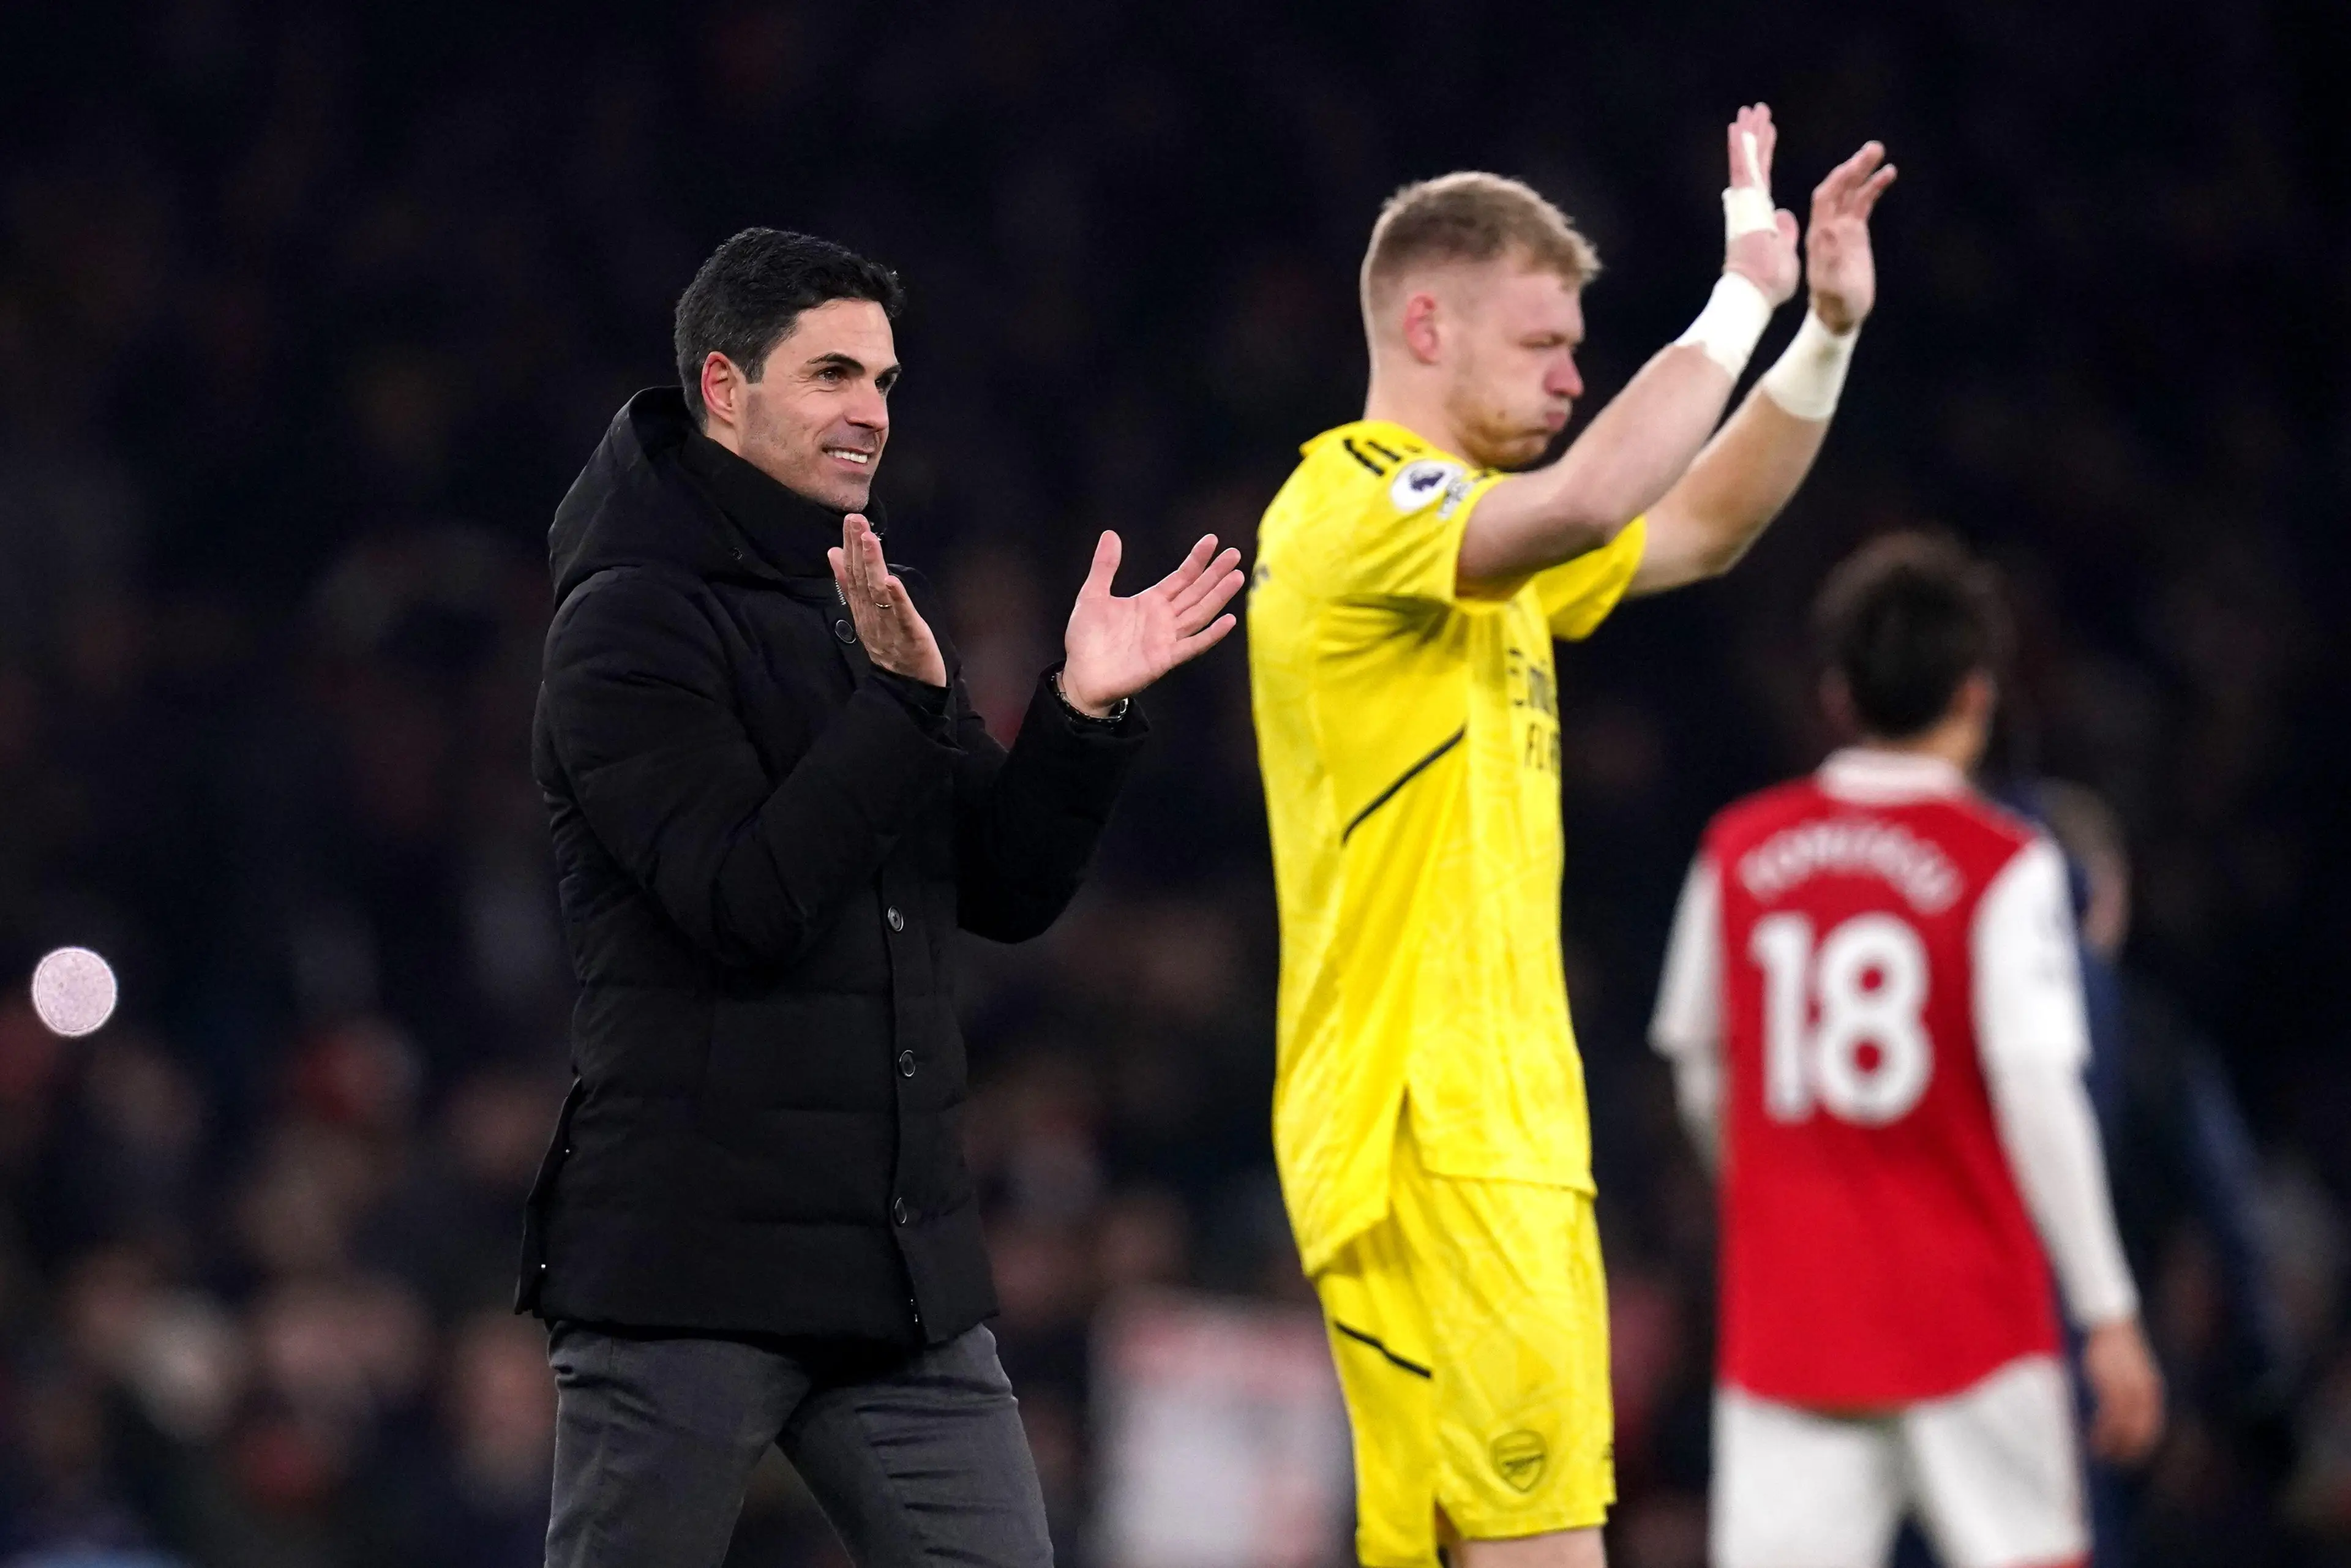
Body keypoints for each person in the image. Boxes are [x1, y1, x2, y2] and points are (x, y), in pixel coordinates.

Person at [518, 227, 1243, 1568]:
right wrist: (899, 705)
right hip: (686, 1270)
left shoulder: (859, 600)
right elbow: (742, 903)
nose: (872, 411)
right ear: (724, 387)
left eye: (887, 381)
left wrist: (1081, 711)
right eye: (833, 373)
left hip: (894, 1274)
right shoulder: (625, 622)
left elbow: (1005, 886)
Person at [1247, 105, 1894, 1568]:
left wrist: (1824, 335)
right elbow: (1604, 492)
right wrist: (1741, 296)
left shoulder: (1478, 548)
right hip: (1440, 1127)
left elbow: (1700, 524)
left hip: (1483, 1126)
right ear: (1427, 324)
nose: (1571, 375)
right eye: (1543, 342)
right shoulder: (1359, 503)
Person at [1648, 534, 2167, 1568]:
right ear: (1977, 696)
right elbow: (2037, 1091)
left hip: (1794, 1324)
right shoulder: (2004, 865)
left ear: (1836, 698)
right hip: (1973, 1324)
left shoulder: (1737, 850)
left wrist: (1764, 1188)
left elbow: (1699, 1064)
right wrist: (2108, 1309)